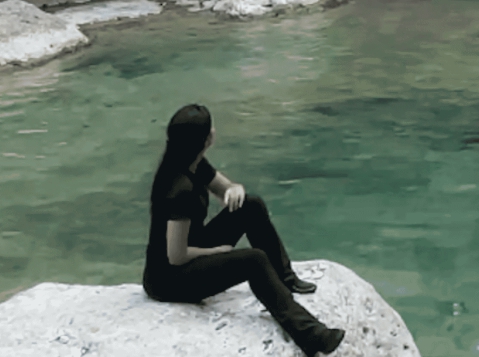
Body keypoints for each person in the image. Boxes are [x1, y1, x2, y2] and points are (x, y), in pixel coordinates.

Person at [143, 104, 345, 356]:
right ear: (207, 139)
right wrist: (218, 251)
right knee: (254, 260)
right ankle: (311, 335)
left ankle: (285, 279)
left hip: (190, 252)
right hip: (169, 279)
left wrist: (234, 190)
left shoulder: (192, 162)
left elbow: (224, 189)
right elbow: (176, 255)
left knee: (251, 205)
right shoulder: (179, 187)